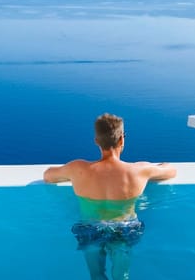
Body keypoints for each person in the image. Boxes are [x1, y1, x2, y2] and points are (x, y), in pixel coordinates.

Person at [43, 113, 177, 280]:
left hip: (90, 229)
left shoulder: (77, 169)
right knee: (121, 276)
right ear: (122, 140)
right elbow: (171, 171)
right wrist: (160, 166)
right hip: (125, 229)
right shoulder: (139, 170)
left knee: (96, 275)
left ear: (96, 141)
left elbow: (48, 176)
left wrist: (72, 175)